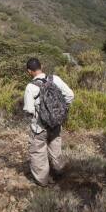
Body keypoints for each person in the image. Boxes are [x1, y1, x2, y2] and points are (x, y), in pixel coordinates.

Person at [23, 57, 74, 186]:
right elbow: (70, 95)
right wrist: (60, 110)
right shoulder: (55, 79)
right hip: (56, 122)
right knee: (55, 146)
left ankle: (42, 180)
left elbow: (29, 109)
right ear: (42, 66)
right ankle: (59, 170)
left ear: (29, 71)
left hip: (40, 127)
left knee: (38, 152)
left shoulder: (30, 87)